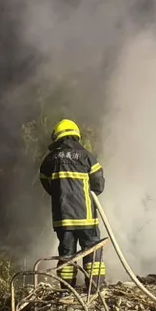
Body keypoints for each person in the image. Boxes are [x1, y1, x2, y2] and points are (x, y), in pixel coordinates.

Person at [39, 119, 106, 289]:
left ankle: (67, 289)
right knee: (91, 251)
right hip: (86, 217)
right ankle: (95, 288)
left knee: (67, 255)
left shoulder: (48, 161)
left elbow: (47, 185)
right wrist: (87, 198)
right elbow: (98, 183)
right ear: (76, 136)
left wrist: (61, 195)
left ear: (57, 137)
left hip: (63, 219)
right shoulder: (87, 156)